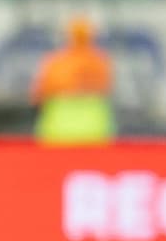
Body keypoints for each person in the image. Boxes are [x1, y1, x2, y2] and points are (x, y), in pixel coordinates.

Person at [30, 16, 114, 145]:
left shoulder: (56, 62)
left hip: (59, 127)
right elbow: (106, 88)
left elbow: (38, 96)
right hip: (94, 127)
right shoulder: (100, 62)